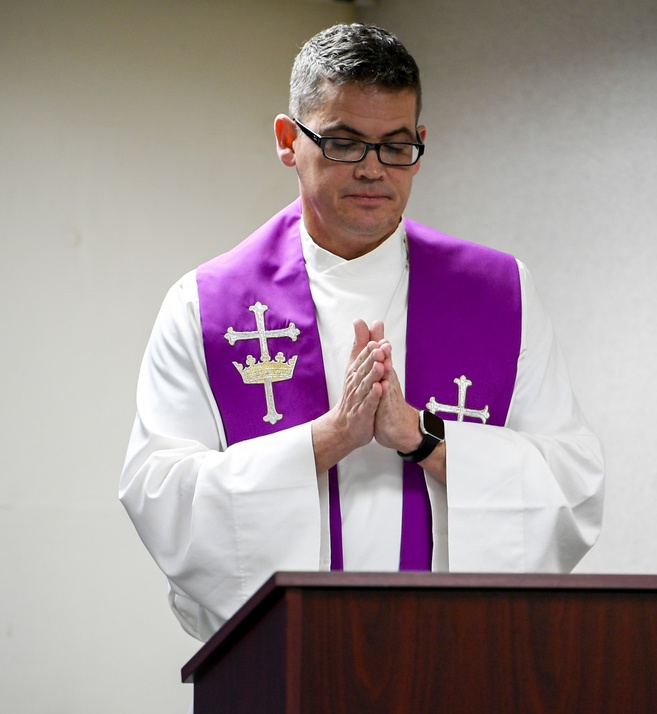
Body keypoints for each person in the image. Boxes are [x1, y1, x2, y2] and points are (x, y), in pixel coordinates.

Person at [119, 23, 604, 642]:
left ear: (420, 143)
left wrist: (424, 439)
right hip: (287, 662)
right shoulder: (204, 305)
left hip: (458, 657)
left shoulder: (501, 292)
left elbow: (573, 485)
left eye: (396, 146)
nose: (374, 170)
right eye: (346, 143)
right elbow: (160, 496)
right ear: (289, 140)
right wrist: (325, 440)